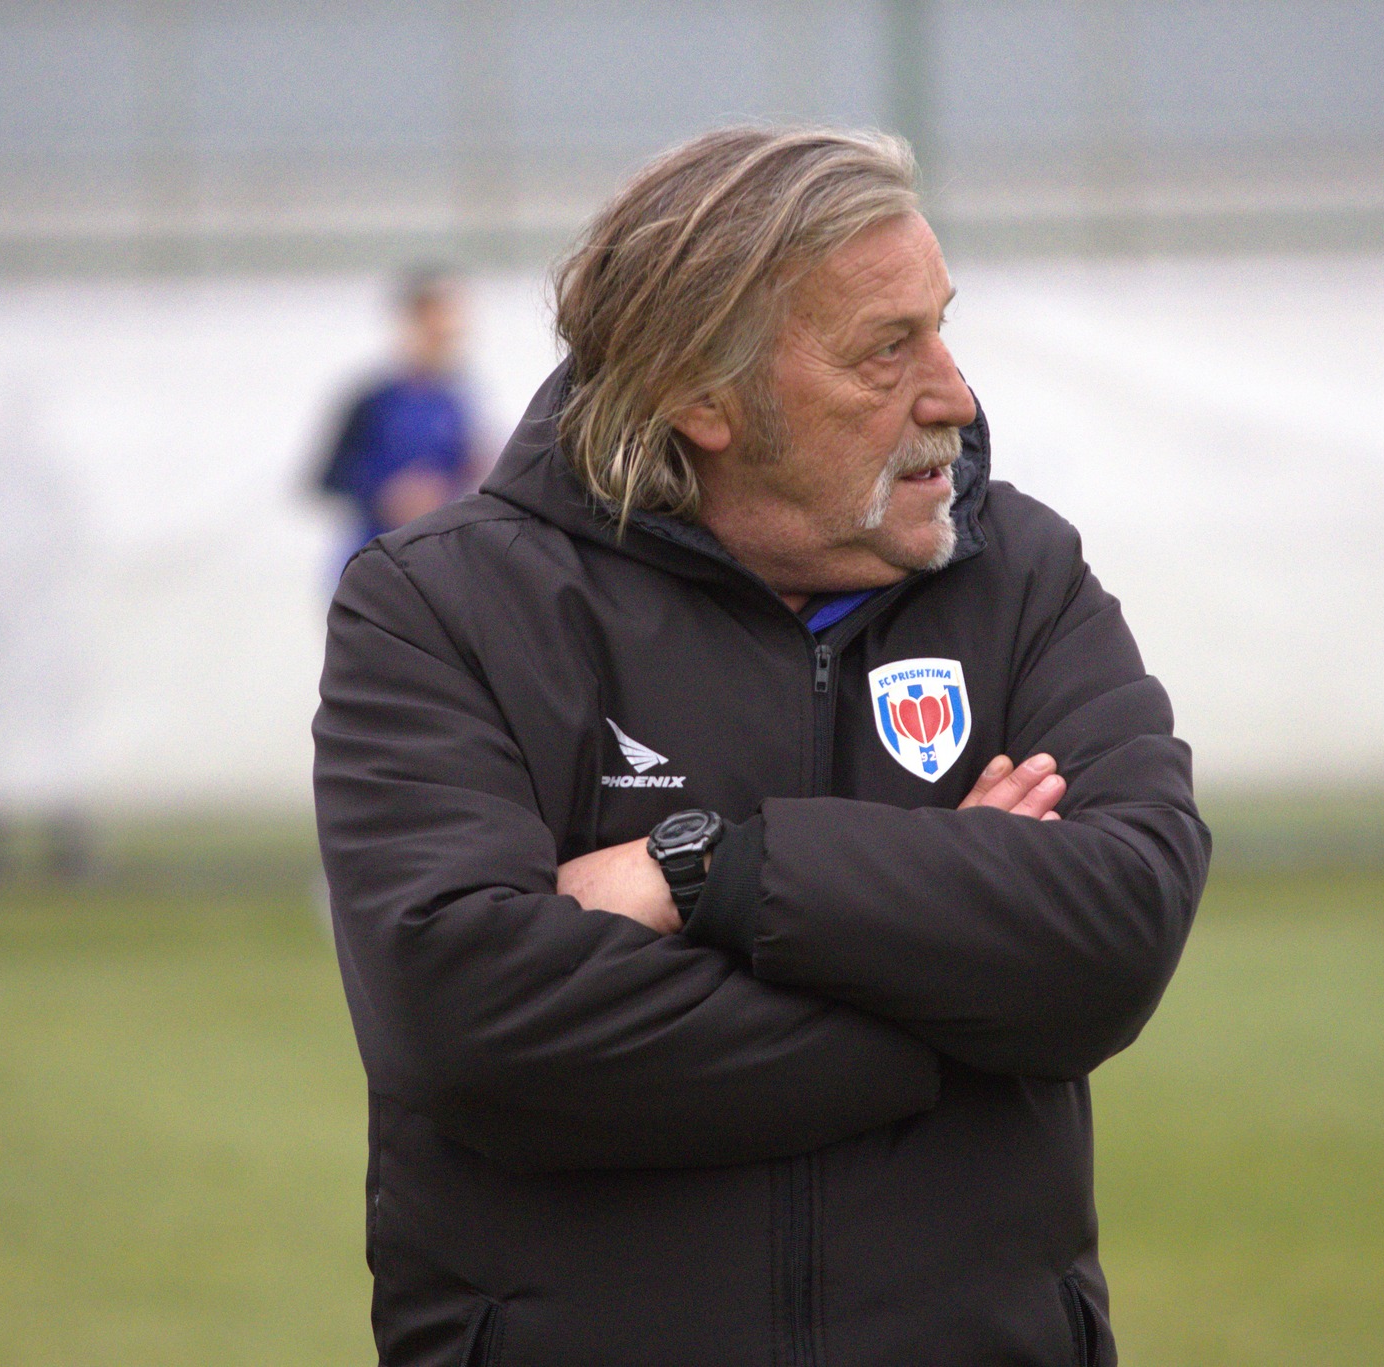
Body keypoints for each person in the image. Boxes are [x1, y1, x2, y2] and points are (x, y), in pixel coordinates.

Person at [314, 127, 1210, 1367]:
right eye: (885, 348)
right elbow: (470, 1022)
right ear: (700, 393)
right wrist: (946, 1006)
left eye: (940, 328)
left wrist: (705, 870)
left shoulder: (1021, 577)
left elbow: (1116, 925)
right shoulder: (443, 605)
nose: (952, 394)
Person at [315, 269, 480, 562]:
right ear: (409, 326)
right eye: (432, 329)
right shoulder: (372, 400)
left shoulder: (457, 404)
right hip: (373, 559)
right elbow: (328, 478)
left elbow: (464, 471)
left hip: (432, 560)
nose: (442, 338)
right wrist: (385, 494)